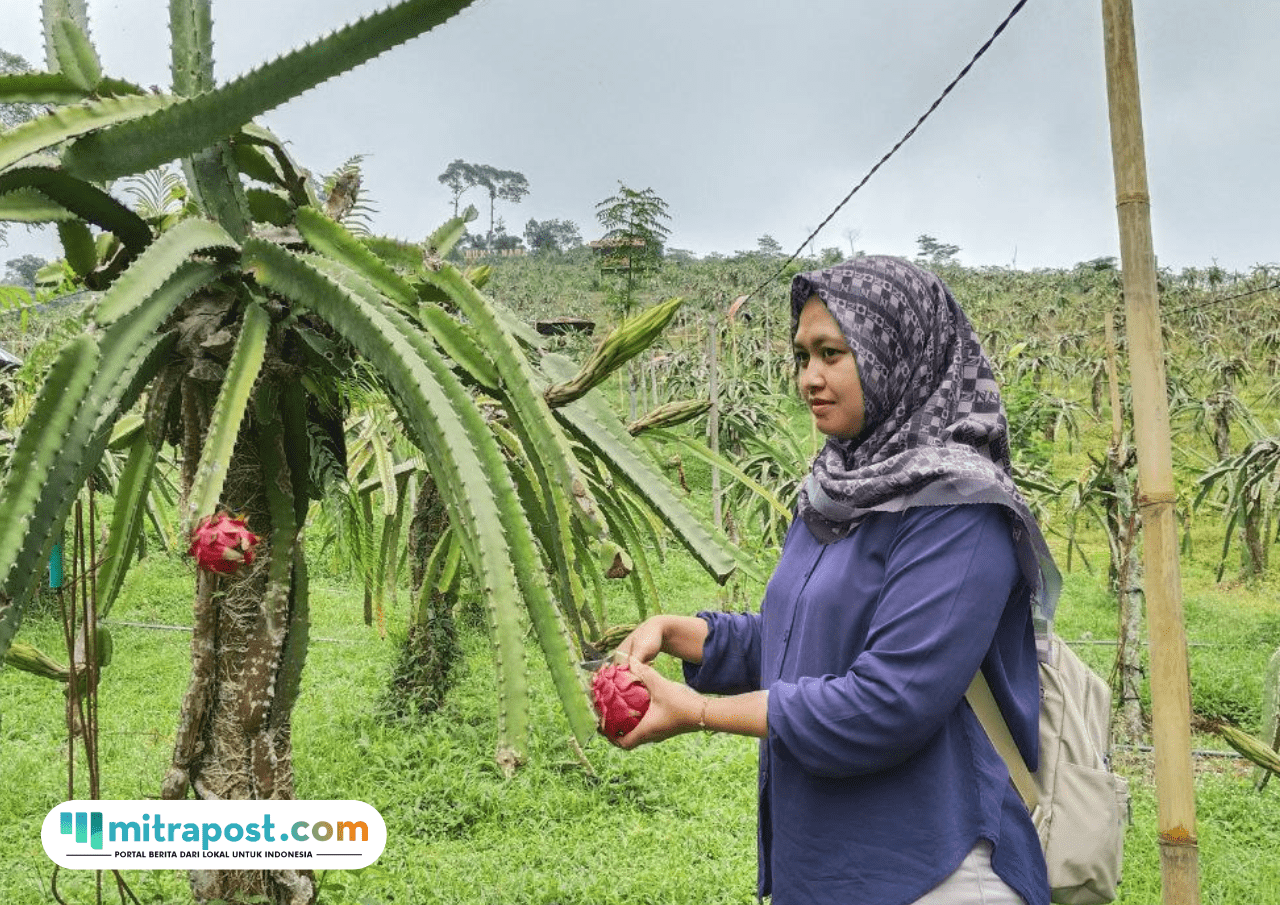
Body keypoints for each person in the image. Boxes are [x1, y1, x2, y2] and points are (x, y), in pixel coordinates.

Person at [612, 255, 1060, 905]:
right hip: (828, 869)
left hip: (934, 869)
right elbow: (804, 635)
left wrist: (704, 712)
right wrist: (685, 633)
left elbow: (888, 700)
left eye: (831, 353)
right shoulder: (837, 488)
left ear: (896, 353)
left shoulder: (959, 511)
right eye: (802, 356)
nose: (810, 378)